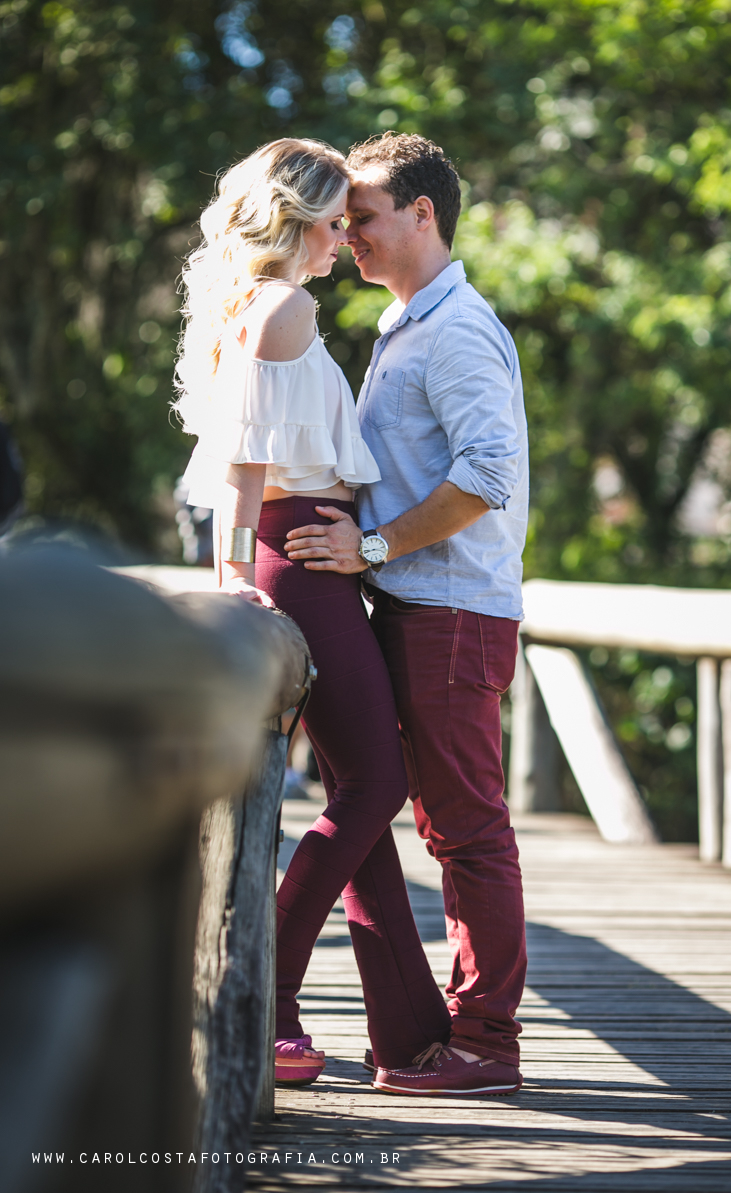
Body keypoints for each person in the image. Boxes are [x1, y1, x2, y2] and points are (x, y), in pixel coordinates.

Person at [175, 138, 451, 1085]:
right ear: (297, 221)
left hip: (300, 553)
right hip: (300, 557)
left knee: (360, 793)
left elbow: (243, 450)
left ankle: (403, 1032)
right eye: (336, 220)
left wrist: (236, 561)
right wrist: (232, 573)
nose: (345, 239)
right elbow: (247, 452)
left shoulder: (261, 305)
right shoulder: (285, 306)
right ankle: (259, 997)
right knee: (378, 786)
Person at [284, 133, 529, 1098]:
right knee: (431, 823)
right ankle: (433, 1034)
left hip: (453, 612)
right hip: (412, 603)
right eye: (341, 223)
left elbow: (486, 477)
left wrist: (372, 549)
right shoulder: (407, 326)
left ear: (423, 214)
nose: (347, 236)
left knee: (468, 833)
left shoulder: (457, 329)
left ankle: (486, 1047)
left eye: (364, 217)